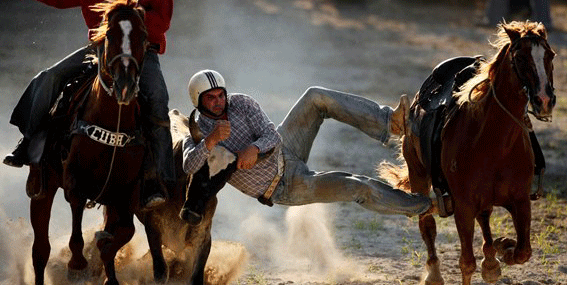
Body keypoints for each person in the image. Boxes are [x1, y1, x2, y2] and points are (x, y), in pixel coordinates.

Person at [3, 0, 175, 209]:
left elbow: (164, 22)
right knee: (49, 77)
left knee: (158, 100)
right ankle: (28, 145)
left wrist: (133, 17)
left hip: (141, 54)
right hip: (100, 52)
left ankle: (158, 178)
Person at [181, 70, 433, 218]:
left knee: (315, 97)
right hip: (283, 186)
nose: (219, 101)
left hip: (286, 148)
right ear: (198, 102)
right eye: (211, 98)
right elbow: (188, 166)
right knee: (357, 187)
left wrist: (254, 148)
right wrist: (211, 141)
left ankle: (391, 123)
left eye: (220, 95)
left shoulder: (241, 103)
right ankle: (422, 205)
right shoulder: (198, 131)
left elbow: (272, 135)